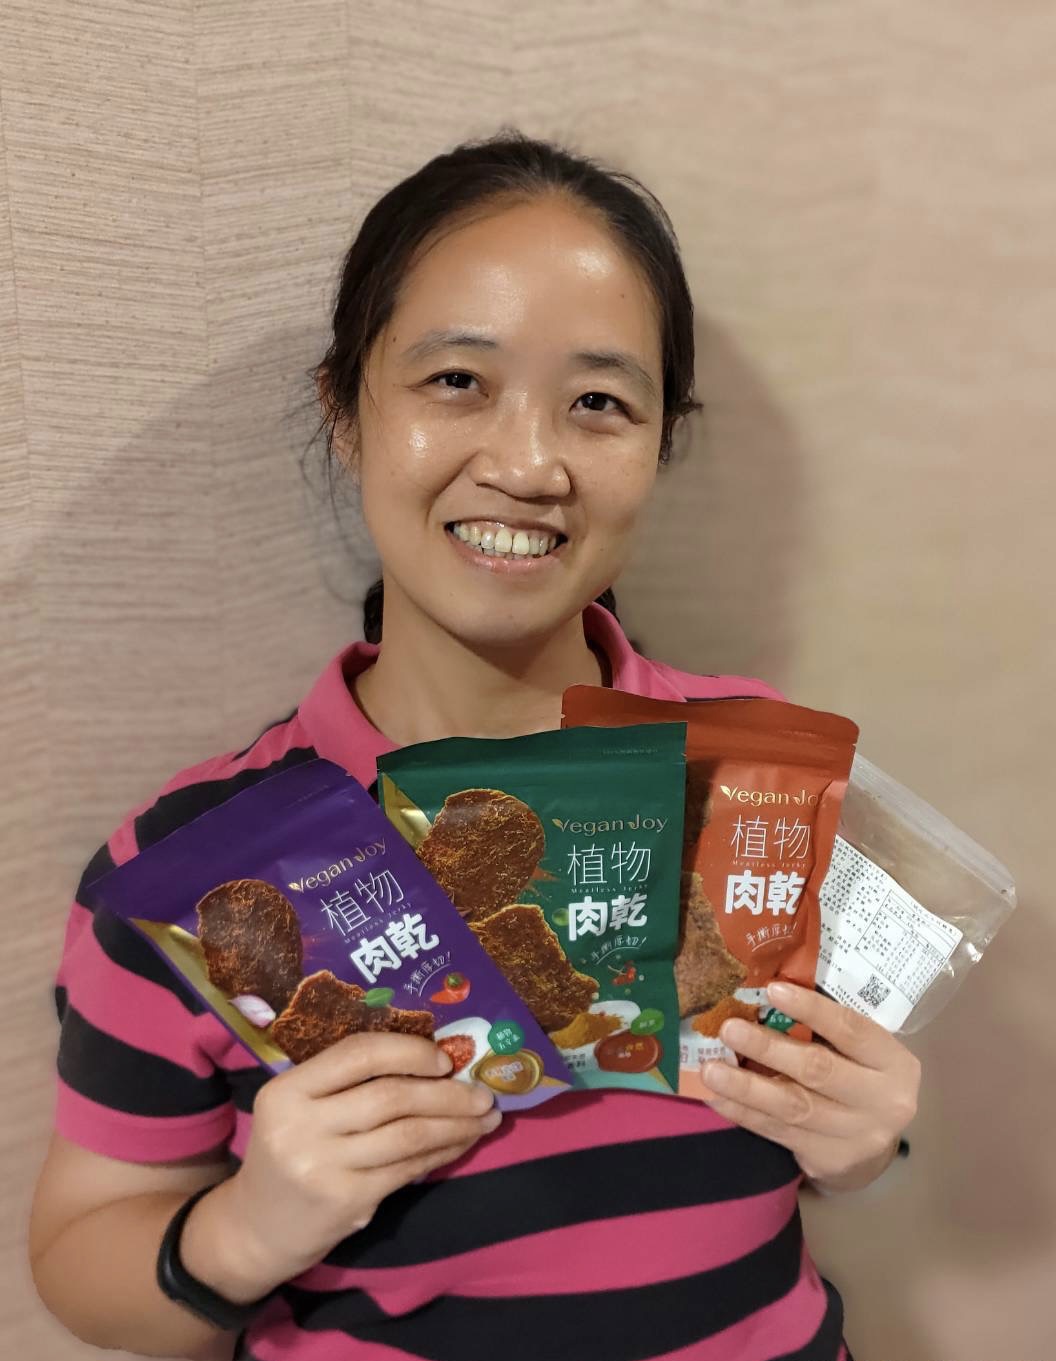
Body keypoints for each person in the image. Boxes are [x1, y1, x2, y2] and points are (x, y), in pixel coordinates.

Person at [28, 130, 919, 1361]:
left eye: (598, 402)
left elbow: (822, 1126)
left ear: (659, 444)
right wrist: (247, 1226)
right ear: (346, 410)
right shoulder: (192, 872)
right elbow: (80, 1254)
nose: (526, 463)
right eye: (456, 380)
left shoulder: (754, 777)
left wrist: (867, 1147)